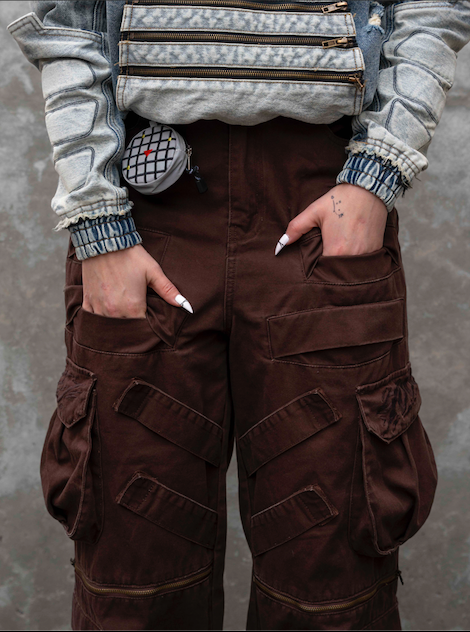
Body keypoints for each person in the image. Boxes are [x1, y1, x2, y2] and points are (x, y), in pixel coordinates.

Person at [8, 1, 470, 629]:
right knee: (133, 596)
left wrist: (377, 174)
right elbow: (67, 15)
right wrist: (97, 221)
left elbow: (433, 6)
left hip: (319, 198)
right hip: (143, 211)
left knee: (331, 601)